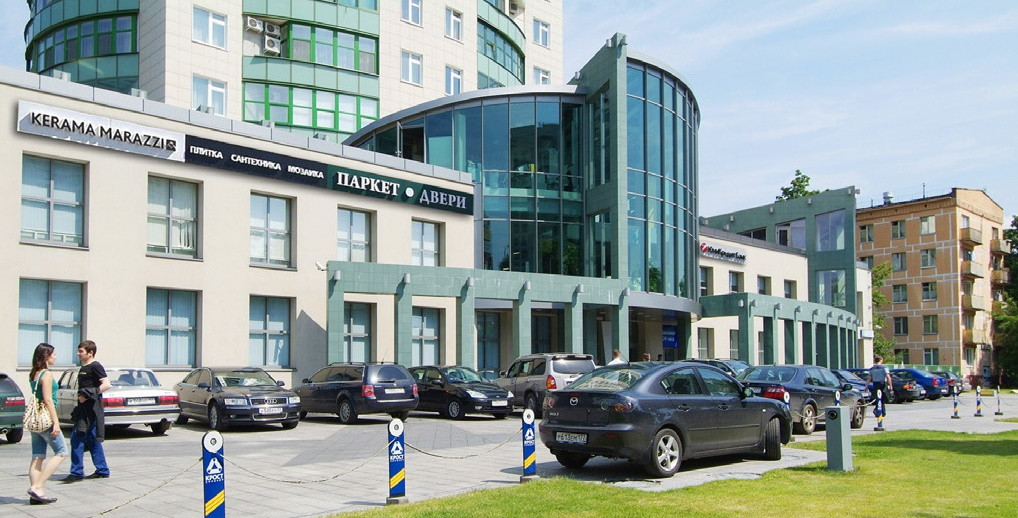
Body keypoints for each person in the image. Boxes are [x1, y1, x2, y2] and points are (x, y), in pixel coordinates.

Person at [65, 340, 111, 482]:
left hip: (92, 409)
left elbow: (106, 384)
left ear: (90, 353)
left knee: (77, 438)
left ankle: (77, 472)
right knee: (91, 439)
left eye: (81, 351)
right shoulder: (84, 367)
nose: (78, 354)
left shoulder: (95, 366)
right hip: (83, 409)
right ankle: (102, 470)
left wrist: (88, 394)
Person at [27, 343, 67, 505]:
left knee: (37, 456)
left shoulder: (34, 373)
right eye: (53, 354)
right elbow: (48, 399)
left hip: (35, 420)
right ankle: (38, 487)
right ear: (46, 356)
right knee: (62, 452)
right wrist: (56, 423)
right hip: (46, 419)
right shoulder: (47, 374)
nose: (55, 357)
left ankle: (36, 496)